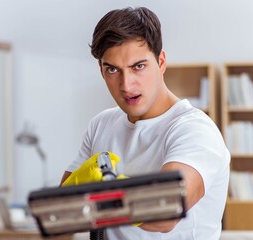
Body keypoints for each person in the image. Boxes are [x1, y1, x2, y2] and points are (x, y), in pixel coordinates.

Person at [60, 6, 230, 240]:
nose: (127, 85)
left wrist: (102, 191)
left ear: (161, 62)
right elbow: (61, 213)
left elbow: (165, 212)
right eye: (113, 69)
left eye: (138, 66)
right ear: (101, 70)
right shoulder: (100, 125)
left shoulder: (194, 130)